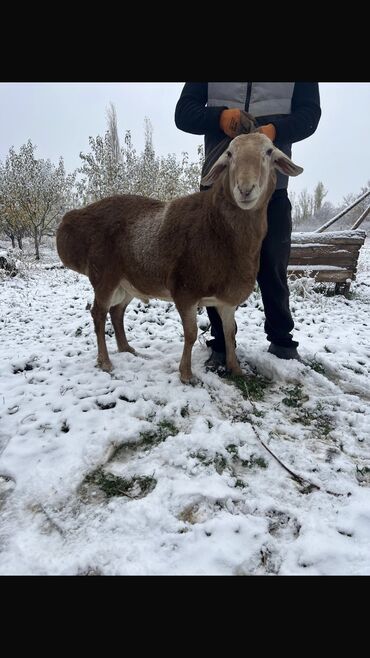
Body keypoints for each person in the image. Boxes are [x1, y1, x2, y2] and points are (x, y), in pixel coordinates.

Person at [175, 82, 321, 368]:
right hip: (219, 189)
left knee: (273, 264)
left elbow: (309, 115)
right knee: (211, 266)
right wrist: (219, 117)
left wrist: (274, 131)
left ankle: (282, 341)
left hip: (270, 190)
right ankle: (220, 343)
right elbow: (184, 113)